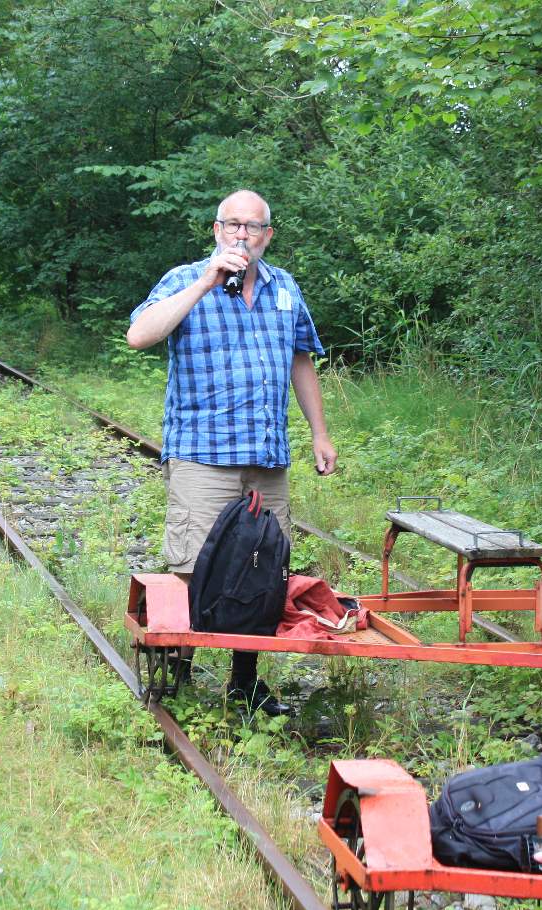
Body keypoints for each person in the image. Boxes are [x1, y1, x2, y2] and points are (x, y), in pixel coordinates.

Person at [128, 190, 337, 716]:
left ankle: (245, 680)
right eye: (232, 225)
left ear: (268, 235)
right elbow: (138, 336)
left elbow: (300, 362)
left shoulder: (284, 288)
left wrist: (319, 432)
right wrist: (205, 282)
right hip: (202, 451)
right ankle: (177, 666)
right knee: (194, 561)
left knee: (263, 568)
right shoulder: (184, 280)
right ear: (216, 230)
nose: (242, 235)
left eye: (252, 227)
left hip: (265, 458)